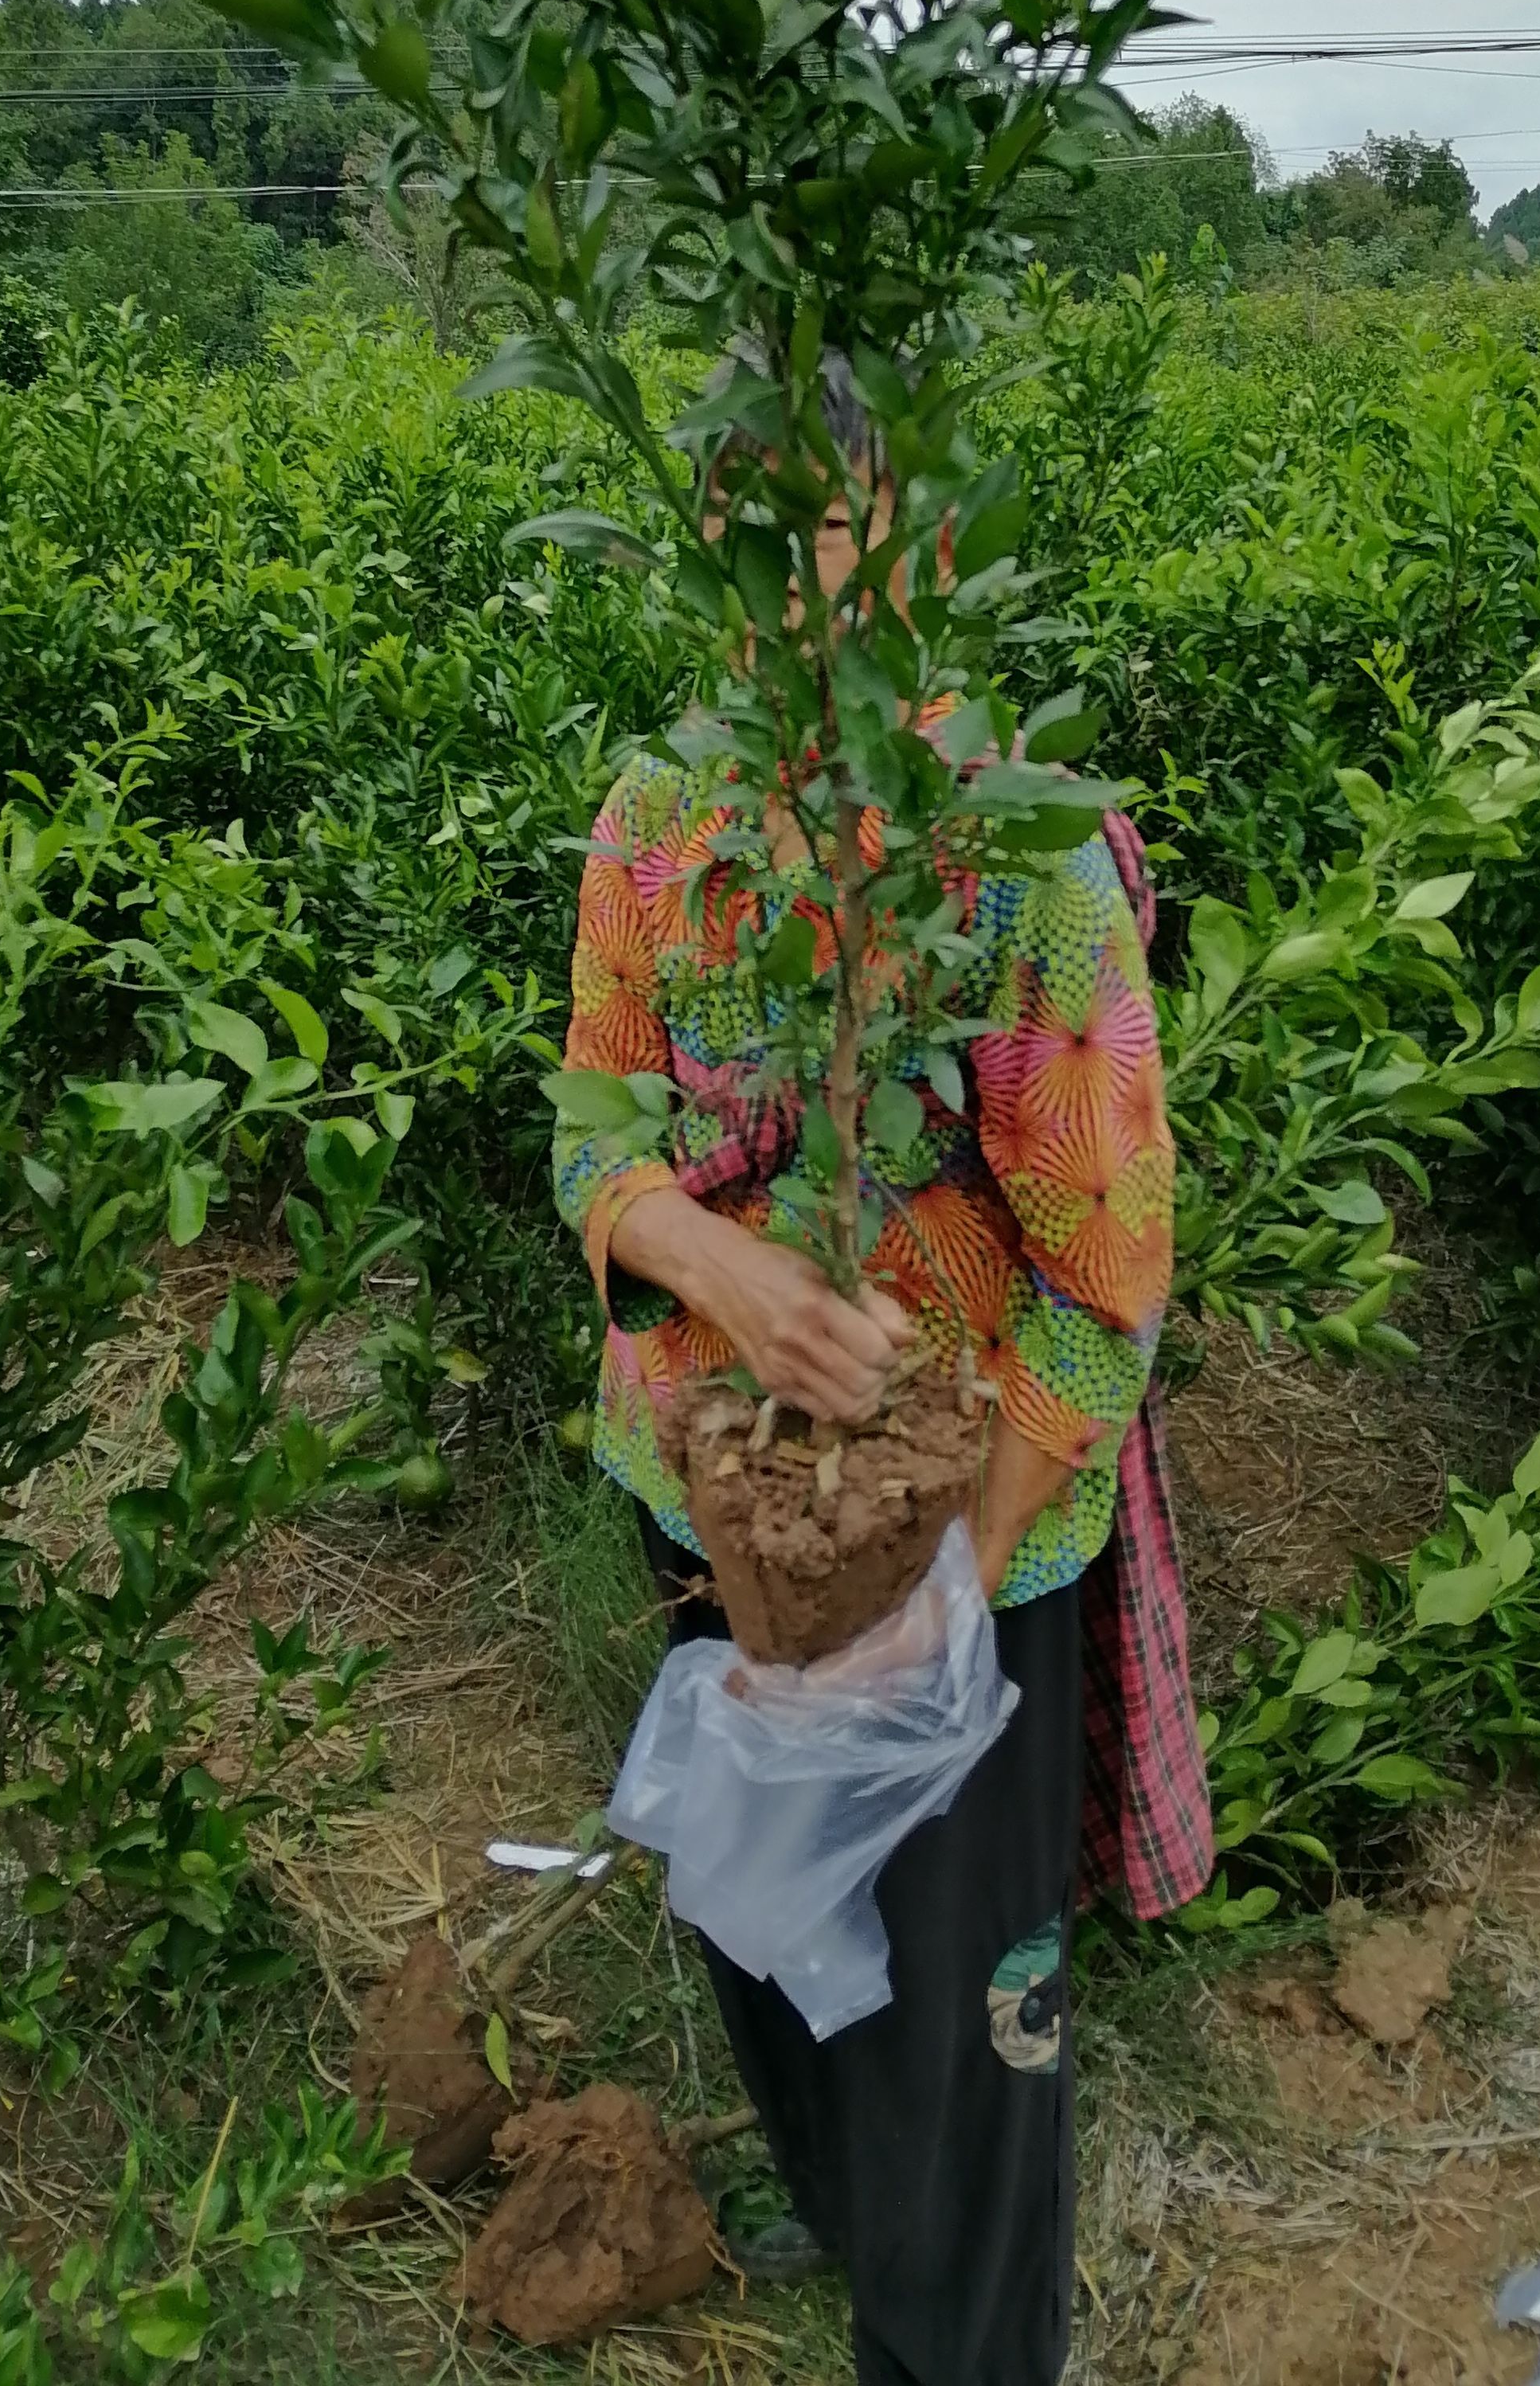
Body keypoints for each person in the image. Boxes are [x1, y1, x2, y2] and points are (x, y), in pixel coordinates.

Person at [550, 359, 1212, 2386]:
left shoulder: (1018, 861)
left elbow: (1104, 1277)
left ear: (922, 550)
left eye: (824, 531)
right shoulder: (662, 814)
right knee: (769, 1923)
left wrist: (934, 1580)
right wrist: (705, 1260)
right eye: (741, 538)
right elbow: (591, 1121)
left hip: (969, 1562)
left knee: (963, 2007)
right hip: (720, 1504)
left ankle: (964, 2333)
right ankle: (856, 2223)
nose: (783, 591)